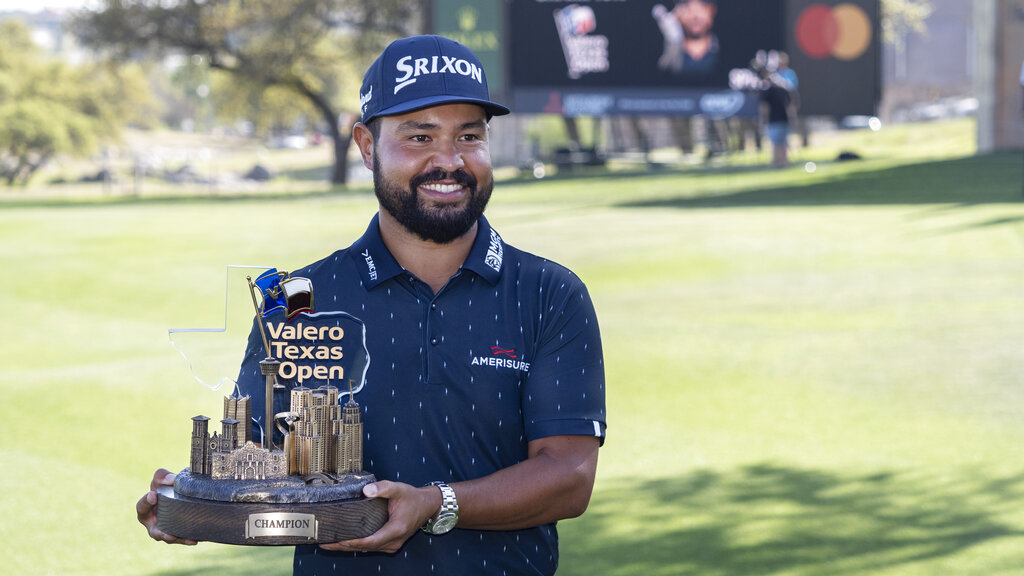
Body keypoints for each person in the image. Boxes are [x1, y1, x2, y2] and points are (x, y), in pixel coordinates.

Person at [136, 34, 607, 576]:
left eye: (469, 136)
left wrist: (434, 504)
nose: (449, 161)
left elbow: (569, 477)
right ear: (366, 146)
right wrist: (191, 499)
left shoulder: (550, 293)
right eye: (419, 136)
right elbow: (259, 458)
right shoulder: (298, 299)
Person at [654, 0, 719, 75]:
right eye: (688, 8)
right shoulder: (665, 51)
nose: (695, 16)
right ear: (677, 13)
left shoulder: (727, 49)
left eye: (702, 7)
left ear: (712, 10)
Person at [758, 66, 791, 168]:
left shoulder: (768, 91)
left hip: (774, 120)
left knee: (776, 143)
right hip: (784, 119)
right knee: (782, 142)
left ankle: (777, 162)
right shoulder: (783, 89)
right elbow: (790, 106)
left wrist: (763, 120)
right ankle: (784, 161)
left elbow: (765, 107)